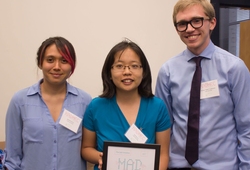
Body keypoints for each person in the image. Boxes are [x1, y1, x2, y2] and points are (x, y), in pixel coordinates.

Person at [155, 0, 250, 170]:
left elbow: (248, 129)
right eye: (182, 23)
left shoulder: (234, 68)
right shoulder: (167, 71)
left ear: (212, 22)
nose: (189, 29)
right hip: (177, 166)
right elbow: (164, 127)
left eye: (196, 21)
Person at [4, 36, 92, 170]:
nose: (57, 67)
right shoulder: (20, 101)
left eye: (64, 60)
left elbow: (89, 148)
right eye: (50, 60)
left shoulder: (85, 101)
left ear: (72, 65)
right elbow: (12, 156)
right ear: (40, 63)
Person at [81, 39, 171, 170]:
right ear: (109, 73)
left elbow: (163, 155)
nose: (127, 72)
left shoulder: (157, 107)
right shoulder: (96, 107)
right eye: (119, 66)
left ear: (143, 72)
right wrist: (102, 157)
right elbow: (86, 148)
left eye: (134, 66)